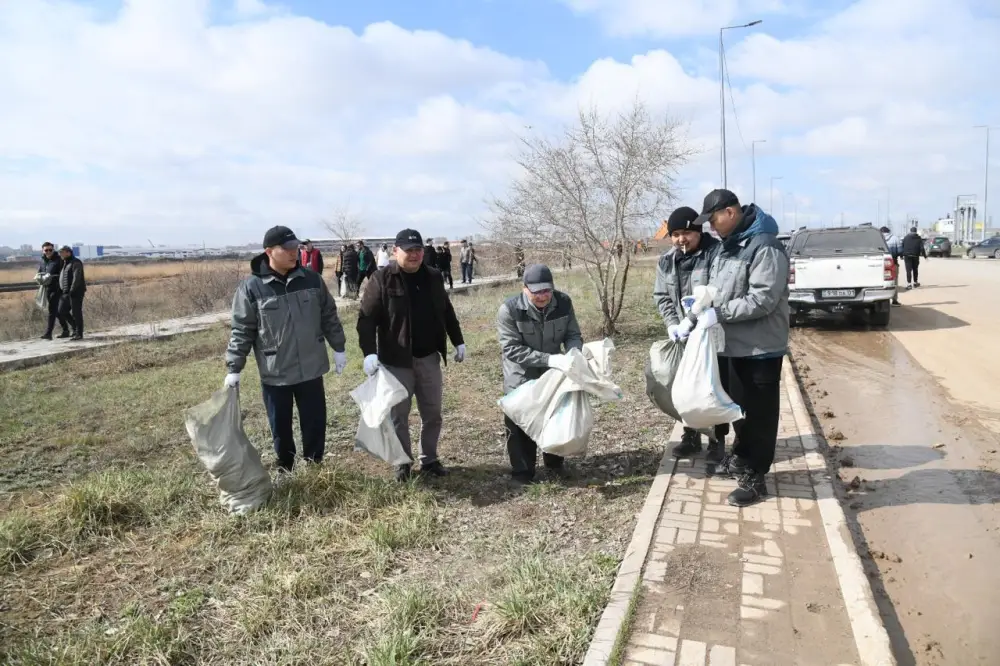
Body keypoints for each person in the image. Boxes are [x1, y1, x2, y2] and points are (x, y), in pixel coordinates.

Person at [677, 189, 790, 507]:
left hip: (761, 348)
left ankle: (756, 478)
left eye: (712, 219)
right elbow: (714, 289)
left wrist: (719, 314)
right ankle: (741, 458)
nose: (710, 227)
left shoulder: (765, 246)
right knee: (737, 409)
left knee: (760, 415)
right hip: (730, 345)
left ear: (730, 212)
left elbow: (764, 298)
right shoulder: (728, 247)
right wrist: (693, 315)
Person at [225, 226, 347, 472]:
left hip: (311, 368)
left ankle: (315, 466)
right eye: (288, 248)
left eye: (296, 247)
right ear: (269, 251)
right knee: (279, 424)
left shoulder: (311, 280)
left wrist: (339, 347)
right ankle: (285, 468)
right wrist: (234, 367)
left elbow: (329, 315)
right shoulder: (252, 288)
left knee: (314, 421)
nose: (295, 253)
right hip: (276, 371)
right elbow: (242, 330)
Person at [358, 229, 466, 482]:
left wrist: (458, 340)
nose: (415, 255)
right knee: (399, 417)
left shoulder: (433, 276)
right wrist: (369, 353)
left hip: (429, 358)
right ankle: (402, 462)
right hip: (396, 361)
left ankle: (429, 459)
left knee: (433, 413)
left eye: (418, 250)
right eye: (409, 250)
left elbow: (447, 311)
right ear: (396, 252)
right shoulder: (381, 279)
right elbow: (366, 320)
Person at [652, 206, 729, 462]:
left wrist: (694, 320)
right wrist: (673, 324)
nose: (680, 239)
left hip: (711, 334)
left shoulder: (716, 254)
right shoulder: (667, 261)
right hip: (683, 337)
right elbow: (662, 296)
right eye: (675, 234)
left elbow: (719, 291)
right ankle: (691, 435)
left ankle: (718, 440)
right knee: (683, 385)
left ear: (698, 231)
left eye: (686, 232)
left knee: (713, 387)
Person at [497, 264, 583, 484]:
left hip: (553, 371)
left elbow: (573, 334)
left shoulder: (563, 303)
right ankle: (523, 471)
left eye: (547, 290)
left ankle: (554, 465)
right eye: (536, 292)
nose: (543, 296)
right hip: (520, 373)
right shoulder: (510, 309)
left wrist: (573, 353)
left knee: (554, 416)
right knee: (519, 421)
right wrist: (549, 359)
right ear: (525, 289)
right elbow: (512, 349)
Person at [37, 241, 69, 339]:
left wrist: (52, 277)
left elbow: (63, 274)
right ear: (43, 251)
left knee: (52, 310)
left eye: (50, 250)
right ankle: (66, 329)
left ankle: (48, 333)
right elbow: (40, 272)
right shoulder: (42, 261)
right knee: (57, 312)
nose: (48, 252)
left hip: (57, 288)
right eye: (46, 250)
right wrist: (39, 277)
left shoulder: (58, 260)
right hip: (47, 288)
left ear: (53, 250)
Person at [57, 246, 86, 340]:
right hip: (66, 292)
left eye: (62, 252)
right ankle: (74, 328)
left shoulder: (76, 262)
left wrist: (72, 290)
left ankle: (79, 334)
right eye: (60, 252)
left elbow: (76, 278)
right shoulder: (65, 263)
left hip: (75, 292)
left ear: (68, 253)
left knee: (76, 313)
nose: (60, 254)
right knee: (61, 310)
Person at [880, 226, 902, 305]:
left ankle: (881, 300)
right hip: (893, 263)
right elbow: (900, 251)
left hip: (879, 265)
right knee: (894, 282)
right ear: (889, 231)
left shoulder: (878, 239)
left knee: (880, 282)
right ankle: (894, 300)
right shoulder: (895, 238)